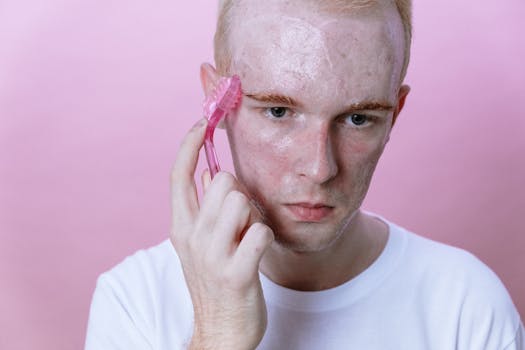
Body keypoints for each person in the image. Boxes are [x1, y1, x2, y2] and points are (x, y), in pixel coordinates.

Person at [85, 0, 524, 349]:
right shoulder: (135, 301)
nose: (319, 168)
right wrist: (217, 336)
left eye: (358, 118)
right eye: (278, 111)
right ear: (215, 102)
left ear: (395, 114)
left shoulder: (466, 306)